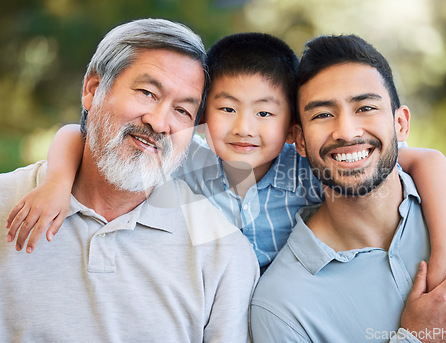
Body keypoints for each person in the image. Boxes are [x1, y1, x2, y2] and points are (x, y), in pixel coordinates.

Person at [8, 33, 446, 288]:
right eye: (227, 109)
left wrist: (445, 257)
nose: (245, 127)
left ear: (292, 129)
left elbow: (428, 162)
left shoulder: (306, 167)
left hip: (290, 309)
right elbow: (76, 131)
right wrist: (56, 183)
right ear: (203, 115)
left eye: (265, 113)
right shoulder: (188, 161)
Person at [0, 18, 259, 342]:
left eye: (182, 111)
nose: (160, 122)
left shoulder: (223, 253)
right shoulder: (5, 201)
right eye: (148, 93)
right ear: (93, 90)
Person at [250, 34, 446, 342]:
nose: (346, 131)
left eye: (365, 107)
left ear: (401, 124)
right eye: (323, 114)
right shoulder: (281, 308)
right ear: (299, 140)